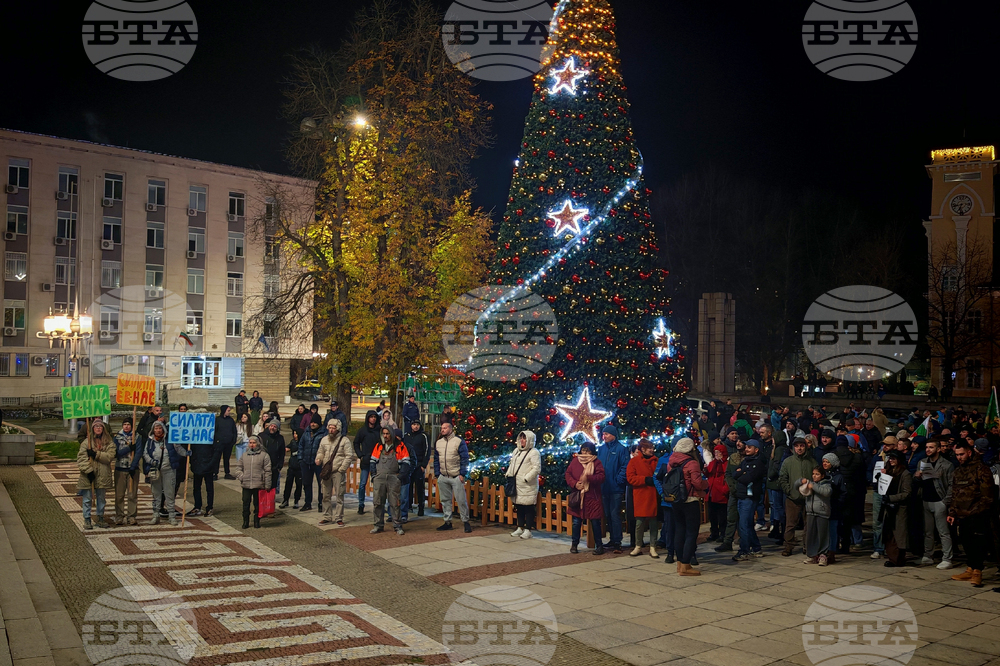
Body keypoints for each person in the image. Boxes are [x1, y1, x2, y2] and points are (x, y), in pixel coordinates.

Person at [949, 440, 996, 587]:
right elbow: (954, 493)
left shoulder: (982, 469)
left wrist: (976, 511)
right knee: (966, 541)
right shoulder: (958, 471)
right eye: (957, 455)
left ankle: (977, 571)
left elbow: (987, 495)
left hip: (977, 513)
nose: (959, 457)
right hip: (961, 513)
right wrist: (952, 511)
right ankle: (970, 568)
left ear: (969, 452)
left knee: (978, 543)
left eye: (962, 454)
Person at [666, 438, 708, 575]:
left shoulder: (672, 461)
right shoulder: (692, 463)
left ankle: (679, 564)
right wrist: (706, 484)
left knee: (679, 530)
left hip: (676, 500)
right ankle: (685, 565)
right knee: (691, 533)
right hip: (690, 500)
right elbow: (697, 483)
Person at [916, 438, 955, 569]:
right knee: (928, 531)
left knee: (943, 531)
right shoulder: (922, 462)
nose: (928, 449)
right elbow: (918, 483)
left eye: (931, 447)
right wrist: (917, 476)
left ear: (938, 449)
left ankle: (947, 558)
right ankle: (928, 555)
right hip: (926, 500)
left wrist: (945, 501)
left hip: (940, 500)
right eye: (927, 447)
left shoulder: (946, 465)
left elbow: (951, 484)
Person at [143, 421, 188, 526]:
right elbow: (145, 453)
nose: (158, 430)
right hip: (155, 470)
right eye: (156, 428)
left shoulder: (170, 440)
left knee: (170, 493)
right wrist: (151, 461)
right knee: (156, 494)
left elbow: (178, 449)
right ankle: (156, 515)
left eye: (160, 428)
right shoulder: (149, 441)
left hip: (169, 470)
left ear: (163, 429)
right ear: (153, 430)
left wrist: (186, 453)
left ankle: (171, 516)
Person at [565, 441, 606, 555]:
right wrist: (575, 484)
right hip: (578, 497)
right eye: (583, 450)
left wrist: (589, 478)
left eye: (588, 450)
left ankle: (599, 546)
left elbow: (601, 477)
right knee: (576, 522)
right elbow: (568, 474)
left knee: (595, 522)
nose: (585, 453)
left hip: (592, 497)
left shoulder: (596, 462)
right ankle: (574, 545)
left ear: (592, 451)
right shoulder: (575, 461)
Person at [369, 426, 410, 535]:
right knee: (377, 502)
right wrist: (374, 475)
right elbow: (372, 461)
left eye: (387, 434)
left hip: (393, 477)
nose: (385, 436)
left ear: (391, 434)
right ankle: (378, 525)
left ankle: (397, 526)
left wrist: (400, 477)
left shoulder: (400, 446)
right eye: (384, 434)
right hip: (380, 477)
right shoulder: (378, 446)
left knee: (395, 503)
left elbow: (406, 462)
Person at [431, 422, 471, 532]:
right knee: (445, 500)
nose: (442, 430)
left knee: (461, 500)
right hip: (443, 475)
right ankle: (447, 521)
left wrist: (462, 474)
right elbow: (436, 459)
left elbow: (464, 458)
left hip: (455, 475)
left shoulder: (458, 441)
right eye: (442, 428)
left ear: (450, 429)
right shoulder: (439, 442)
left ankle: (465, 521)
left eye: (445, 428)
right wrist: (438, 474)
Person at [779, 438, 816, 557]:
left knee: (808, 524)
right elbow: (783, 477)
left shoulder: (812, 462)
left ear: (806, 447)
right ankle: (788, 546)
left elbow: (817, 478)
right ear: (793, 448)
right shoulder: (788, 461)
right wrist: (788, 491)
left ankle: (807, 546)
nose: (799, 448)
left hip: (809, 497)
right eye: (797, 446)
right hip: (792, 498)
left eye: (802, 446)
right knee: (790, 524)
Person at [731, 439, 766, 562]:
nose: (746, 449)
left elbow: (747, 478)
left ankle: (744, 550)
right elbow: (734, 474)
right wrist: (742, 473)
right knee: (748, 524)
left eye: (749, 447)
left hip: (749, 497)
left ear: (756, 450)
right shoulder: (746, 461)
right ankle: (756, 548)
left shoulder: (758, 463)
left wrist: (742, 473)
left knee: (744, 525)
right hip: (742, 495)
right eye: (746, 447)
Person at [596, 425, 629, 554]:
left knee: (615, 514)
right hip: (604, 487)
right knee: (608, 514)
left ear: (613, 435)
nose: (604, 437)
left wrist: (618, 480)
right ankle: (612, 538)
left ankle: (617, 541)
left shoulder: (621, 449)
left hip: (615, 488)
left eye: (607, 434)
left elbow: (625, 466)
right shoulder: (602, 449)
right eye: (603, 434)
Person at [317, 419, 356, 526]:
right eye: (329, 427)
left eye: (333, 428)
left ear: (338, 429)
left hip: (338, 471)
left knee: (339, 495)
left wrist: (342, 469)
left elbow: (349, 456)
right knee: (325, 495)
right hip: (326, 471)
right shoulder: (324, 439)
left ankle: (339, 517)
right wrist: (319, 459)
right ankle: (327, 516)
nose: (331, 430)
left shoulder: (345, 441)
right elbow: (320, 452)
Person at [78, 420, 115, 530]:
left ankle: (100, 517)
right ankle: (87, 518)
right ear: (93, 428)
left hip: (103, 474)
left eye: (100, 426)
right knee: (87, 498)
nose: (98, 428)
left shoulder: (109, 442)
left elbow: (109, 456)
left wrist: (96, 454)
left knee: (101, 498)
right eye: (96, 426)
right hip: (89, 474)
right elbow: (81, 458)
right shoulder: (87, 442)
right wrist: (88, 471)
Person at [626, 438, 660, 557]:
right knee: (639, 522)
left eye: (652, 448)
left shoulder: (656, 461)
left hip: (652, 495)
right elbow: (630, 478)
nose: (652, 450)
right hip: (640, 494)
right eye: (649, 448)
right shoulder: (634, 462)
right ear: (643, 449)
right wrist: (645, 479)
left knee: (653, 523)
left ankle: (652, 546)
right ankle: (638, 545)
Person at [506, 430, 542, 539]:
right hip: (516, 484)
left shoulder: (534, 452)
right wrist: (508, 474)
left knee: (528, 507)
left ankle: (528, 529)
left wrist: (526, 478)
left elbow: (536, 468)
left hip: (527, 485)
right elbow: (512, 464)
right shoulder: (516, 451)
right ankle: (520, 527)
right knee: (519, 506)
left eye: (524, 438)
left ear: (529, 440)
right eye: (521, 438)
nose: (522, 440)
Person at [880, 451, 913, 567]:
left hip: (899, 508)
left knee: (898, 535)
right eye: (890, 458)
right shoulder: (888, 472)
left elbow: (907, 493)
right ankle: (892, 557)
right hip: (888, 508)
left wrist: (891, 498)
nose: (891, 460)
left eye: (894, 458)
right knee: (889, 533)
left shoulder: (905, 474)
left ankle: (898, 559)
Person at [715, 438, 745, 553]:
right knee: (731, 517)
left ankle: (745, 541)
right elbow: (728, 474)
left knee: (744, 519)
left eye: (740, 441)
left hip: (745, 493)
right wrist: (732, 487)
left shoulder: (750, 457)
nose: (738, 443)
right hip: (734, 492)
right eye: (737, 441)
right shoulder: (733, 457)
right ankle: (728, 541)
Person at [236, 435, 272, 529]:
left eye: (254, 443)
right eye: (250, 443)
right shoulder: (244, 456)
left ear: (258, 443)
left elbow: (268, 471)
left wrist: (267, 484)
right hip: (246, 484)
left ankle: (257, 521)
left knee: (257, 505)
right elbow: (238, 468)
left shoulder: (264, 455)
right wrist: (242, 477)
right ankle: (245, 521)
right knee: (245, 504)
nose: (252, 445)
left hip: (258, 484)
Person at [800, 465, 833, 565]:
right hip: (810, 512)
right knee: (811, 534)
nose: (814, 476)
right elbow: (796, 485)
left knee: (822, 534)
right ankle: (812, 555)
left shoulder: (826, 484)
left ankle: (823, 555)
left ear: (822, 476)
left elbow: (826, 492)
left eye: (817, 474)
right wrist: (802, 481)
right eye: (813, 474)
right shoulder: (810, 483)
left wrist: (814, 487)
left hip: (822, 513)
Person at [112, 418, 140, 526]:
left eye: (129, 424)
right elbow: (116, 453)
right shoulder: (117, 437)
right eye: (125, 424)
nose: (127, 426)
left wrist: (133, 466)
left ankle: (131, 516)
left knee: (132, 494)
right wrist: (128, 448)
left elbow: (138, 452)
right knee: (119, 495)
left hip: (133, 469)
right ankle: (119, 515)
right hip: (120, 468)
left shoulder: (136, 437)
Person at [821, 452, 847, 564]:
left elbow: (843, 493)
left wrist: (838, 503)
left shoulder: (839, 477)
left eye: (827, 462)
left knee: (832, 531)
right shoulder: (822, 475)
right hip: (823, 508)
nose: (825, 464)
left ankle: (832, 552)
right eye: (824, 462)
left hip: (834, 507)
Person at [187, 426, 218, 518]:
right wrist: (192, 462)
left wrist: (211, 464)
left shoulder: (211, 437)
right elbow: (191, 451)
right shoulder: (194, 438)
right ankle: (197, 506)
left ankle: (209, 507)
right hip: (197, 465)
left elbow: (216, 451)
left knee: (209, 488)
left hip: (208, 465)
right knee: (196, 487)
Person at [296, 413, 324, 511]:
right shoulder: (306, 432)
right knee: (307, 483)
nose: (312, 424)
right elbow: (301, 445)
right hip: (306, 461)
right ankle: (308, 503)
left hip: (318, 463)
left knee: (321, 484)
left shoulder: (323, 433)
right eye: (311, 422)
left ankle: (321, 503)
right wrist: (300, 459)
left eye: (315, 423)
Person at [766, 426, 789, 543]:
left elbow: (776, 466)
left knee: (778, 507)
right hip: (775, 483)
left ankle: (781, 531)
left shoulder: (780, 450)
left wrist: (770, 476)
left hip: (776, 483)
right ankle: (776, 529)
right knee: (776, 507)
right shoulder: (779, 449)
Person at [403, 419, 430, 517]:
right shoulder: (407, 436)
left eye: (417, 424)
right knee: (408, 486)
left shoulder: (424, 436)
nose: (416, 426)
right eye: (414, 424)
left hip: (419, 465)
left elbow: (427, 450)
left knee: (420, 487)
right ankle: (409, 505)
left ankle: (421, 507)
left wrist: (423, 465)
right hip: (409, 465)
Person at [705, 443, 729, 543]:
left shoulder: (726, 464)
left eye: (718, 452)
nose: (716, 454)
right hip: (712, 493)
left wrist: (724, 490)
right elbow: (709, 473)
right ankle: (714, 533)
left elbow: (728, 478)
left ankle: (723, 534)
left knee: (722, 517)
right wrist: (705, 469)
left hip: (721, 494)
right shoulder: (713, 463)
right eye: (715, 452)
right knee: (712, 515)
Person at [259, 419, 285, 493]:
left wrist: (279, 466)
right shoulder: (261, 436)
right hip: (262, 465)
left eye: (275, 427)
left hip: (274, 466)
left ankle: (270, 502)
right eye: (271, 426)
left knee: (272, 486)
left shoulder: (280, 438)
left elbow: (282, 453)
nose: (272, 428)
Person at [214, 405, 237, 481]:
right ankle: (215, 473)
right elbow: (215, 431)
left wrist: (233, 440)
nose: (229, 412)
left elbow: (234, 431)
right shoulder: (217, 420)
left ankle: (227, 473)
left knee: (226, 459)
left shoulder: (230, 420)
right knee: (217, 458)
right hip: (219, 443)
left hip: (228, 443)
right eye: (228, 410)